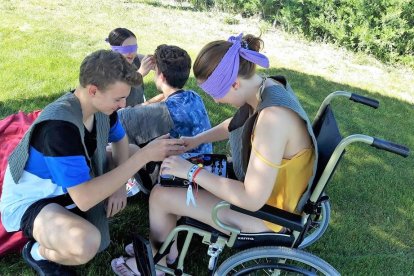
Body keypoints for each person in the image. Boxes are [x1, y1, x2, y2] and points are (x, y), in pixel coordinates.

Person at [110, 33, 318, 275]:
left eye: (215, 94)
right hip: (271, 195)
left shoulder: (273, 119)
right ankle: (167, 249)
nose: (216, 101)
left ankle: (158, 262)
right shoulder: (267, 87)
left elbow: (251, 199)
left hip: (268, 217)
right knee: (172, 180)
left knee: (160, 195)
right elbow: (236, 122)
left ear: (235, 84)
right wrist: (195, 141)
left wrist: (192, 171)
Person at [0, 50, 185, 275]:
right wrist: (143, 157)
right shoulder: (59, 130)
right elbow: (85, 198)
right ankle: (37, 252)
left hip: (70, 185)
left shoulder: (100, 107)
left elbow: (121, 140)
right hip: (36, 200)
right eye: (118, 98)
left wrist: (119, 187)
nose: (123, 104)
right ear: (93, 90)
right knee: (85, 243)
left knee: (131, 150)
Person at [106, 27, 156, 106]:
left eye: (134, 48)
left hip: (137, 106)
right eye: (126, 49)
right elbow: (119, 89)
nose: (131, 53)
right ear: (114, 50)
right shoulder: (108, 67)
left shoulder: (134, 59)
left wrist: (156, 62)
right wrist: (140, 74)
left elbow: (153, 63)